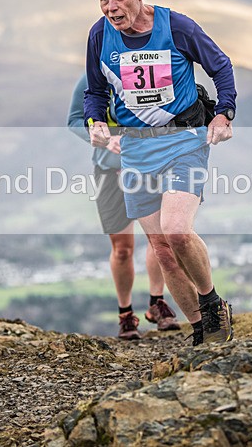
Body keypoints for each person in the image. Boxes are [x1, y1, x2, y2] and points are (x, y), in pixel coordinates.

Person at [84, 0, 237, 345]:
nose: (111, 7)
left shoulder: (177, 26)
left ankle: (212, 303)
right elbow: (95, 92)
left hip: (184, 139)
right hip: (136, 148)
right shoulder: (99, 35)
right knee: (163, 250)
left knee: (177, 230)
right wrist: (95, 122)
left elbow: (220, 66)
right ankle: (202, 331)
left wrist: (223, 113)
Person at [69, 74, 181, 340]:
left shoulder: (146, 71)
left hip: (148, 168)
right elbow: (74, 121)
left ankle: (156, 303)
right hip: (109, 171)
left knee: (159, 239)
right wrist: (106, 140)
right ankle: (126, 315)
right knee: (122, 249)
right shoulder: (90, 79)